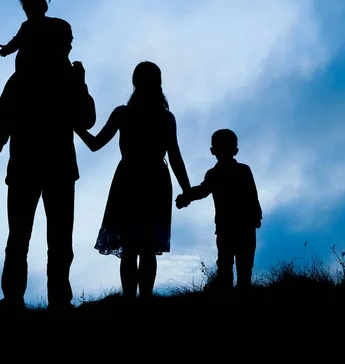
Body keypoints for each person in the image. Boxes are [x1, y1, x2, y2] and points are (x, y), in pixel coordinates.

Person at [0, 60, 96, 312]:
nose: (69, 49)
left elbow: (86, 119)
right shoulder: (40, 78)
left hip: (34, 167)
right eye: (66, 43)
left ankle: (28, 299)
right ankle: (46, 300)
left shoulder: (28, 77)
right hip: (48, 168)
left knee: (34, 239)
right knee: (39, 239)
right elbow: (86, 119)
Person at [75, 61, 191, 303]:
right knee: (147, 248)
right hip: (156, 180)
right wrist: (186, 189)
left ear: (134, 82)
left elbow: (95, 144)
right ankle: (145, 301)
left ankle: (130, 302)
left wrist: (75, 126)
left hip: (128, 179)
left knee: (130, 247)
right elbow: (175, 156)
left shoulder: (123, 114)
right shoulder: (166, 117)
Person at [175, 128, 262, 290]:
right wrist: (257, 216)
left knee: (225, 262)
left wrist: (186, 197)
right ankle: (241, 290)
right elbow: (252, 195)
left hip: (226, 226)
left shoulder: (215, 174)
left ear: (212, 151)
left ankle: (225, 289)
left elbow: (202, 191)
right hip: (245, 224)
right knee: (244, 264)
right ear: (235, 150)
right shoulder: (243, 170)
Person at [0, 0, 73, 75]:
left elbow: (66, 43)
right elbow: (18, 40)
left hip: (53, 67)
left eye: (30, 7)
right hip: (27, 70)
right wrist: (8, 48)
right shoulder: (26, 26)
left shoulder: (58, 24)